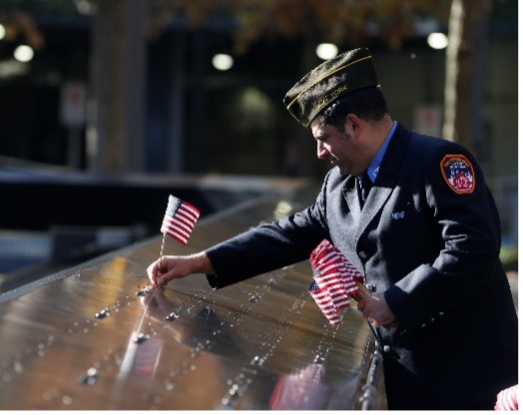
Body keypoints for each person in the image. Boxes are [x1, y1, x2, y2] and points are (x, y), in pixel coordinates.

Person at [146, 48, 518, 410]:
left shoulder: (437, 162)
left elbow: (472, 248)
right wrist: (201, 262)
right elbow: (291, 234)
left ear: (354, 125)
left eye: (323, 138)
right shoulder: (339, 184)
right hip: (404, 381)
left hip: (466, 381)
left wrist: (398, 301)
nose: (320, 152)